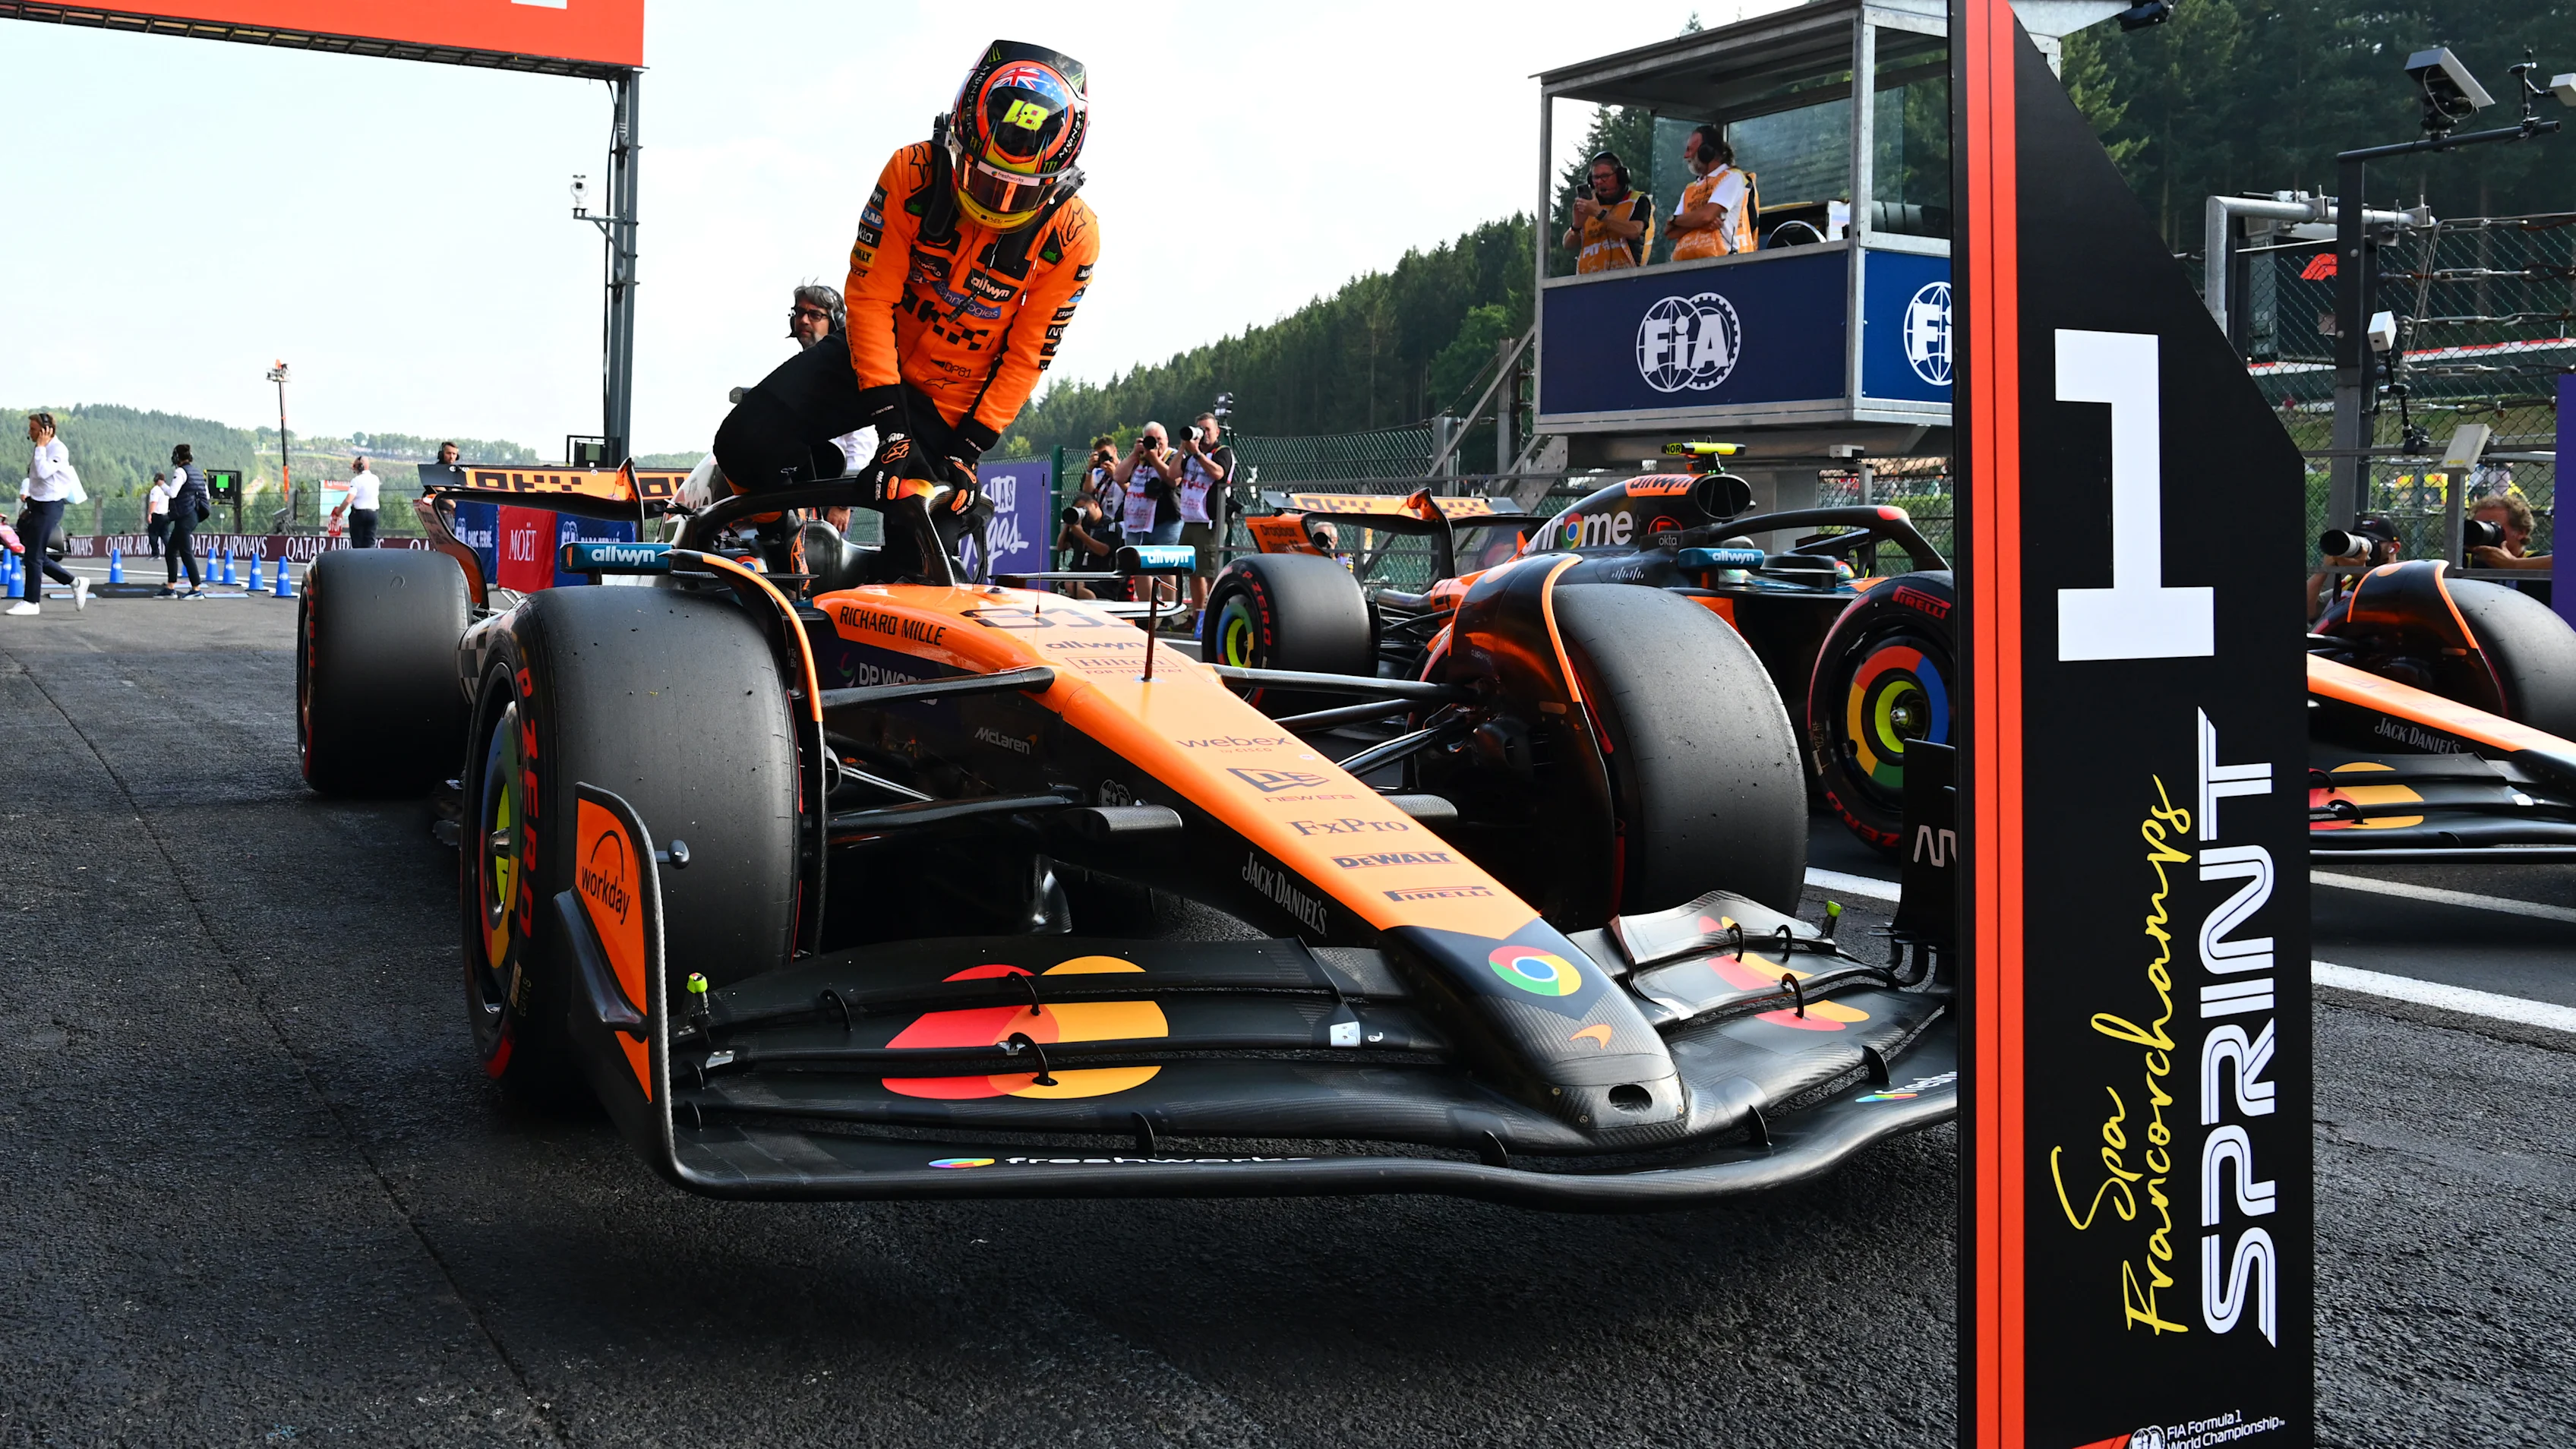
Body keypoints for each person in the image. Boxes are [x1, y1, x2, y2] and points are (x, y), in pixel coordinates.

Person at [711, 41, 1098, 582]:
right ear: (958, 137)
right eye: (986, 179)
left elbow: (1029, 355)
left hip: (950, 403)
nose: (999, 204)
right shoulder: (910, 171)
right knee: (740, 446)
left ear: (1056, 181)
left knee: (924, 546)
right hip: (867, 361)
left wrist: (968, 448)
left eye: (1020, 191)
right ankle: (785, 535)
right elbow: (869, 301)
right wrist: (892, 432)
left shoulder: (1075, 235)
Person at [12, 413, 89, 614]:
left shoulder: (58, 449)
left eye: (33, 429)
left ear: (47, 430)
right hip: (37, 505)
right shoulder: (43, 447)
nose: (30, 433)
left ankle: (31, 602)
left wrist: (40, 447)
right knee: (33, 553)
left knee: (34, 556)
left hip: (51, 506)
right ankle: (76, 582)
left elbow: (44, 471)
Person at [1173, 412, 1234, 624]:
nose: (1204, 434)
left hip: (1211, 521)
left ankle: (1216, 616)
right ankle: (1198, 616)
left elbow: (1219, 473)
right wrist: (1184, 447)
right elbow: (1173, 475)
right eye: (1200, 429)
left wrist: (1198, 453)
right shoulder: (1191, 455)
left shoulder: (1222, 452)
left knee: (1210, 571)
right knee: (1193, 571)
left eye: (1207, 430)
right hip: (1190, 520)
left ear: (1217, 432)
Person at [1113, 423, 1182, 610]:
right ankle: (1146, 610)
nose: (1156, 445)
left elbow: (1172, 480)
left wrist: (1154, 458)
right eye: (1151, 440)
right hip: (1138, 522)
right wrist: (1135, 454)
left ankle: (1169, 610)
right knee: (1140, 566)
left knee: (1167, 565)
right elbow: (1118, 477)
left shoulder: (1174, 456)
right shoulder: (1140, 458)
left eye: (1159, 440)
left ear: (1167, 440)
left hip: (1165, 520)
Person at [1671, 126, 1754, 260]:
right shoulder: (1691, 188)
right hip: (1688, 264)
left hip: (1723, 262)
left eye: (1690, 150)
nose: (1686, 156)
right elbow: (1669, 232)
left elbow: (1707, 215)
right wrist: (1697, 222)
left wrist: (1679, 221)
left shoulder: (1732, 177)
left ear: (1706, 152)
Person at [1561, 151, 1652, 273]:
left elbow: (1634, 231)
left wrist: (1599, 214)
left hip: (1626, 279)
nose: (1599, 182)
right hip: (1588, 282)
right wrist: (1576, 226)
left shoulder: (1637, 200)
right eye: (1595, 178)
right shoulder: (1589, 204)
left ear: (1620, 176)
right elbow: (1567, 245)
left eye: (1604, 176)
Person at [2306, 513, 2399, 623]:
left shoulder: (2402, 580)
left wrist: (2362, 576)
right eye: (2359, 539)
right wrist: (2324, 570)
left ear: (2394, 548)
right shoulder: (2348, 583)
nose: (2363, 547)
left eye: (2371, 541)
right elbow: (2305, 611)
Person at [2469, 491, 2552, 606]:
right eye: (2479, 525)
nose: (2483, 532)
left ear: (2521, 532)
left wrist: (2514, 565)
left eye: (2493, 526)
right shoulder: (2466, 562)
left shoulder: (2539, 560)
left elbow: (2569, 562)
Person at [159, 443, 209, 599]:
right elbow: (205, 495)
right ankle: (170, 587)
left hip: (185, 516)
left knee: (186, 552)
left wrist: (162, 485)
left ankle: (196, 588)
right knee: (171, 550)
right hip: (194, 514)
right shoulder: (197, 473)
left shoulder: (180, 472)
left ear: (177, 458)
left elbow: (172, 493)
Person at [1053, 491, 1115, 598]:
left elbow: (1103, 551)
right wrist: (1069, 523)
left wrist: (1081, 534)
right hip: (1079, 574)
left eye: (1083, 509)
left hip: (1101, 577)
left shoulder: (1110, 526)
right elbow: (1061, 546)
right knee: (1063, 581)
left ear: (1095, 505)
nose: (1082, 513)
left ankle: (1092, 607)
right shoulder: (1081, 526)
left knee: (1072, 584)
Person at [332, 456, 382, 548]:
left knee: (357, 545)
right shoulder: (376, 479)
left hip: (359, 514)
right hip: (373, 514)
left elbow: (348, 500)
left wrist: (338, 512)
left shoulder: (356, 481)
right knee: (370, 544)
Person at [144, 470, 170, 557]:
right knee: (165, 534)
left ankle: (155, 553)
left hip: (157, 514)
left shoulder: (155, 490)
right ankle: (171, 552)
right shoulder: (167, 489)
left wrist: (150, 514)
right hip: (166, 514)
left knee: (153, 534)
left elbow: (154, 502)